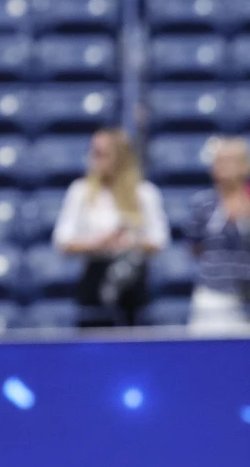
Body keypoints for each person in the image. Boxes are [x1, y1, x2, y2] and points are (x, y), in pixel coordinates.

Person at [53, 128, 170, 327]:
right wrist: (98, 243)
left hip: (133, 283)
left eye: (101, 154)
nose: (94, 160)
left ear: (119, 157)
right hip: (94, 279)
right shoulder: (80, 191)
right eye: (92, 153)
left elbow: (160, 240)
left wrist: (132, 242)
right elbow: (62, 241)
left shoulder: (144, 193)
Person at [187, 137, 250, 334]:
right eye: (219, 160)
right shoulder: (203, 203)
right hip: (213, 295)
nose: (223, 166)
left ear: (247, 165)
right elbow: (195, 247)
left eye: (231, 160)